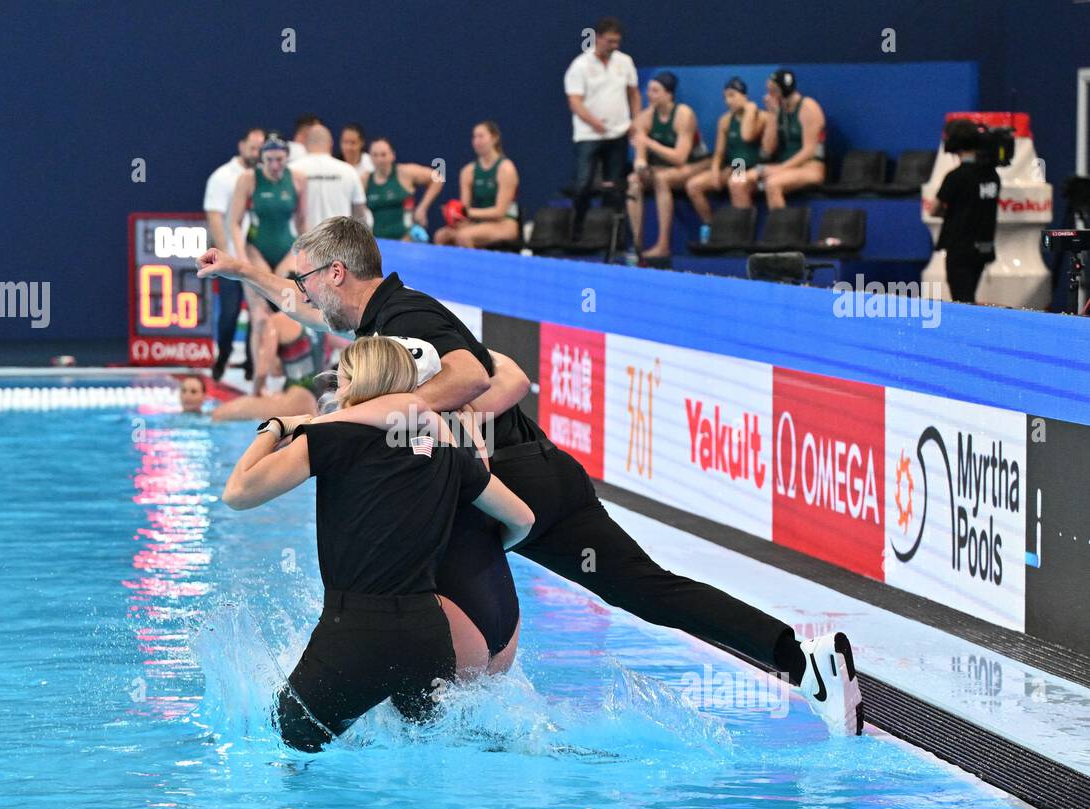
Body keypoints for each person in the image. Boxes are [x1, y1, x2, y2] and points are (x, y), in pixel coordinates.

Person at [197, 217, 865, 736]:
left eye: (308, 281)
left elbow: (485, 376)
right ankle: (804, 661)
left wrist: (388, 418)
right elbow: (310, 304)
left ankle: (440, 724)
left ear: (337, 272)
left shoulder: (406, 321)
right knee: (651, 591)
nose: (306, 298)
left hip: (505, 482)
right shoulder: (387, 317)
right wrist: (243, 274)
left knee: (404, 594)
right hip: (541, 474)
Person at [221, 336, 535, 752]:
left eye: (341, 380)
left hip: (356, 631)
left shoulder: (329, 440)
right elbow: (522, 519)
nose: (335, 390)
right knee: (424, 753)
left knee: (288, 739)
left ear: (356, 383)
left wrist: (274, 428)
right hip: (429, 637)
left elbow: (237, 493)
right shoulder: (445, 449)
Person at [227, 133, 306, 394]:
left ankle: (285, 378)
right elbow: (234, 222)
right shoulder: (248, 180)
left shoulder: (297, 180)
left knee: (289, 315)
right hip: (255, 251)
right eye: (270, 160)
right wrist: (241, 256)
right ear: (261, 158)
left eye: (280, 160)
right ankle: (258, 387)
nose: (275, 165)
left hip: (286, 252)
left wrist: (299, 255)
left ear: (287, 158)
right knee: (259, 317)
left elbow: (303, 224)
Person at [564, 16, 640, 238]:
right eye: (610, 41)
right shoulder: (580, 66)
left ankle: (611, 237)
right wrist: (594, 122)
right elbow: (575, 101)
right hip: (588, 135)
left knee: (615, 187)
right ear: (597, 38)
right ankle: (577, 231)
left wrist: (635, 120)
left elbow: (633, 93)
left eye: (617, 42)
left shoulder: (624, 62)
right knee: (583, 184)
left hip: (618, 134)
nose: (614, 46)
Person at [626, 72, 712, 260]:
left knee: (661, 179)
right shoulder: (645, 117)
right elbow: (640, 159)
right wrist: (641, 168)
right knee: (633, 181)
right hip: (665, 168)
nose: (649, 94)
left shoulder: (683, 115)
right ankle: (637, 244)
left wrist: (648, 142)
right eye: (648, 90)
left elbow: (680, 158)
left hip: (696, 164)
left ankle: (663, 245)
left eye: (655, 91)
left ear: (668, 94)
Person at [203, 127, 266, 380]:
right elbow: (215, 217)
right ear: (241, 146)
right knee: (229, 313)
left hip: (257, 258)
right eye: (253, 147)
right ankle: (224, 356)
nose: (257, 153)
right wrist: (226, 256)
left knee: (258, 313)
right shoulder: (223, 177)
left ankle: (253, 364)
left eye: (261, 148)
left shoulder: (267, 176)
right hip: (233, 258)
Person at [729, 69, 826, 210]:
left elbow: (809, 151)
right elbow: (767, 150)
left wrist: (781, 168)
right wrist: (773, 115)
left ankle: (782, 231)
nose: (768, 95)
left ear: (784, 90)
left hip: (810, 168)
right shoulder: (778, 110)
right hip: (783, 167)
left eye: (772, 91)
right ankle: (744, 230)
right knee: (736, 181)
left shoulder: (808, 107)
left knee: (772, 183)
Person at [930, 119, 1000, 304]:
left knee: (962, 301)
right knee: (968, 297)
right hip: (983, 247)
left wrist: (951, 212)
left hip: (960, 249)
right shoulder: (993, 176)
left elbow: (934, 209)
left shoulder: (956, 177)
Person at [685, 77, 762, 228]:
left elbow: (747, 136)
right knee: (693, 185)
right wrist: (714, 171)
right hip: (735, 164)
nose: (728, 101)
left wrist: (749, 110)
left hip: (751, 166)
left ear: (744, 96)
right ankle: (712, 226)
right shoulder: (725, 121)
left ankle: (742, 231)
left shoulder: (760, 117)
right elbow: (719, 153)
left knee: (736, 182)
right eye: (725, 97)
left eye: (732, 95)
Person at [433, 121, 520, 249]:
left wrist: (467, 212)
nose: (476, 141)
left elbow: (499, 212)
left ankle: (475, 269)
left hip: (505, 223)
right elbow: (465, 208)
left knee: (464, 236)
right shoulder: (468, 171)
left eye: (481, 136)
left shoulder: (506, 169)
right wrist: (453, 213)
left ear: (494, 138)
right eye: (474, 137)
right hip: (480, 223)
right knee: (441, 236)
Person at [289, 124, 369, 229]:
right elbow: (360, 214)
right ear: (331, 144)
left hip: (303, 241)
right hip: (339, 241)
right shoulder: (349, 171)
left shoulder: (291, 170)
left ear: (305, 144)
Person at [363, 137, 444, 240]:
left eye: (383, 155)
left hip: (406, 238)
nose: (379, 159)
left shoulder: (405, 173)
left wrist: (422, 208)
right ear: (369, 157)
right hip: (379, 241)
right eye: (375, 155)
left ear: (392, 155)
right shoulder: (365, 180)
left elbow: (438, 178)